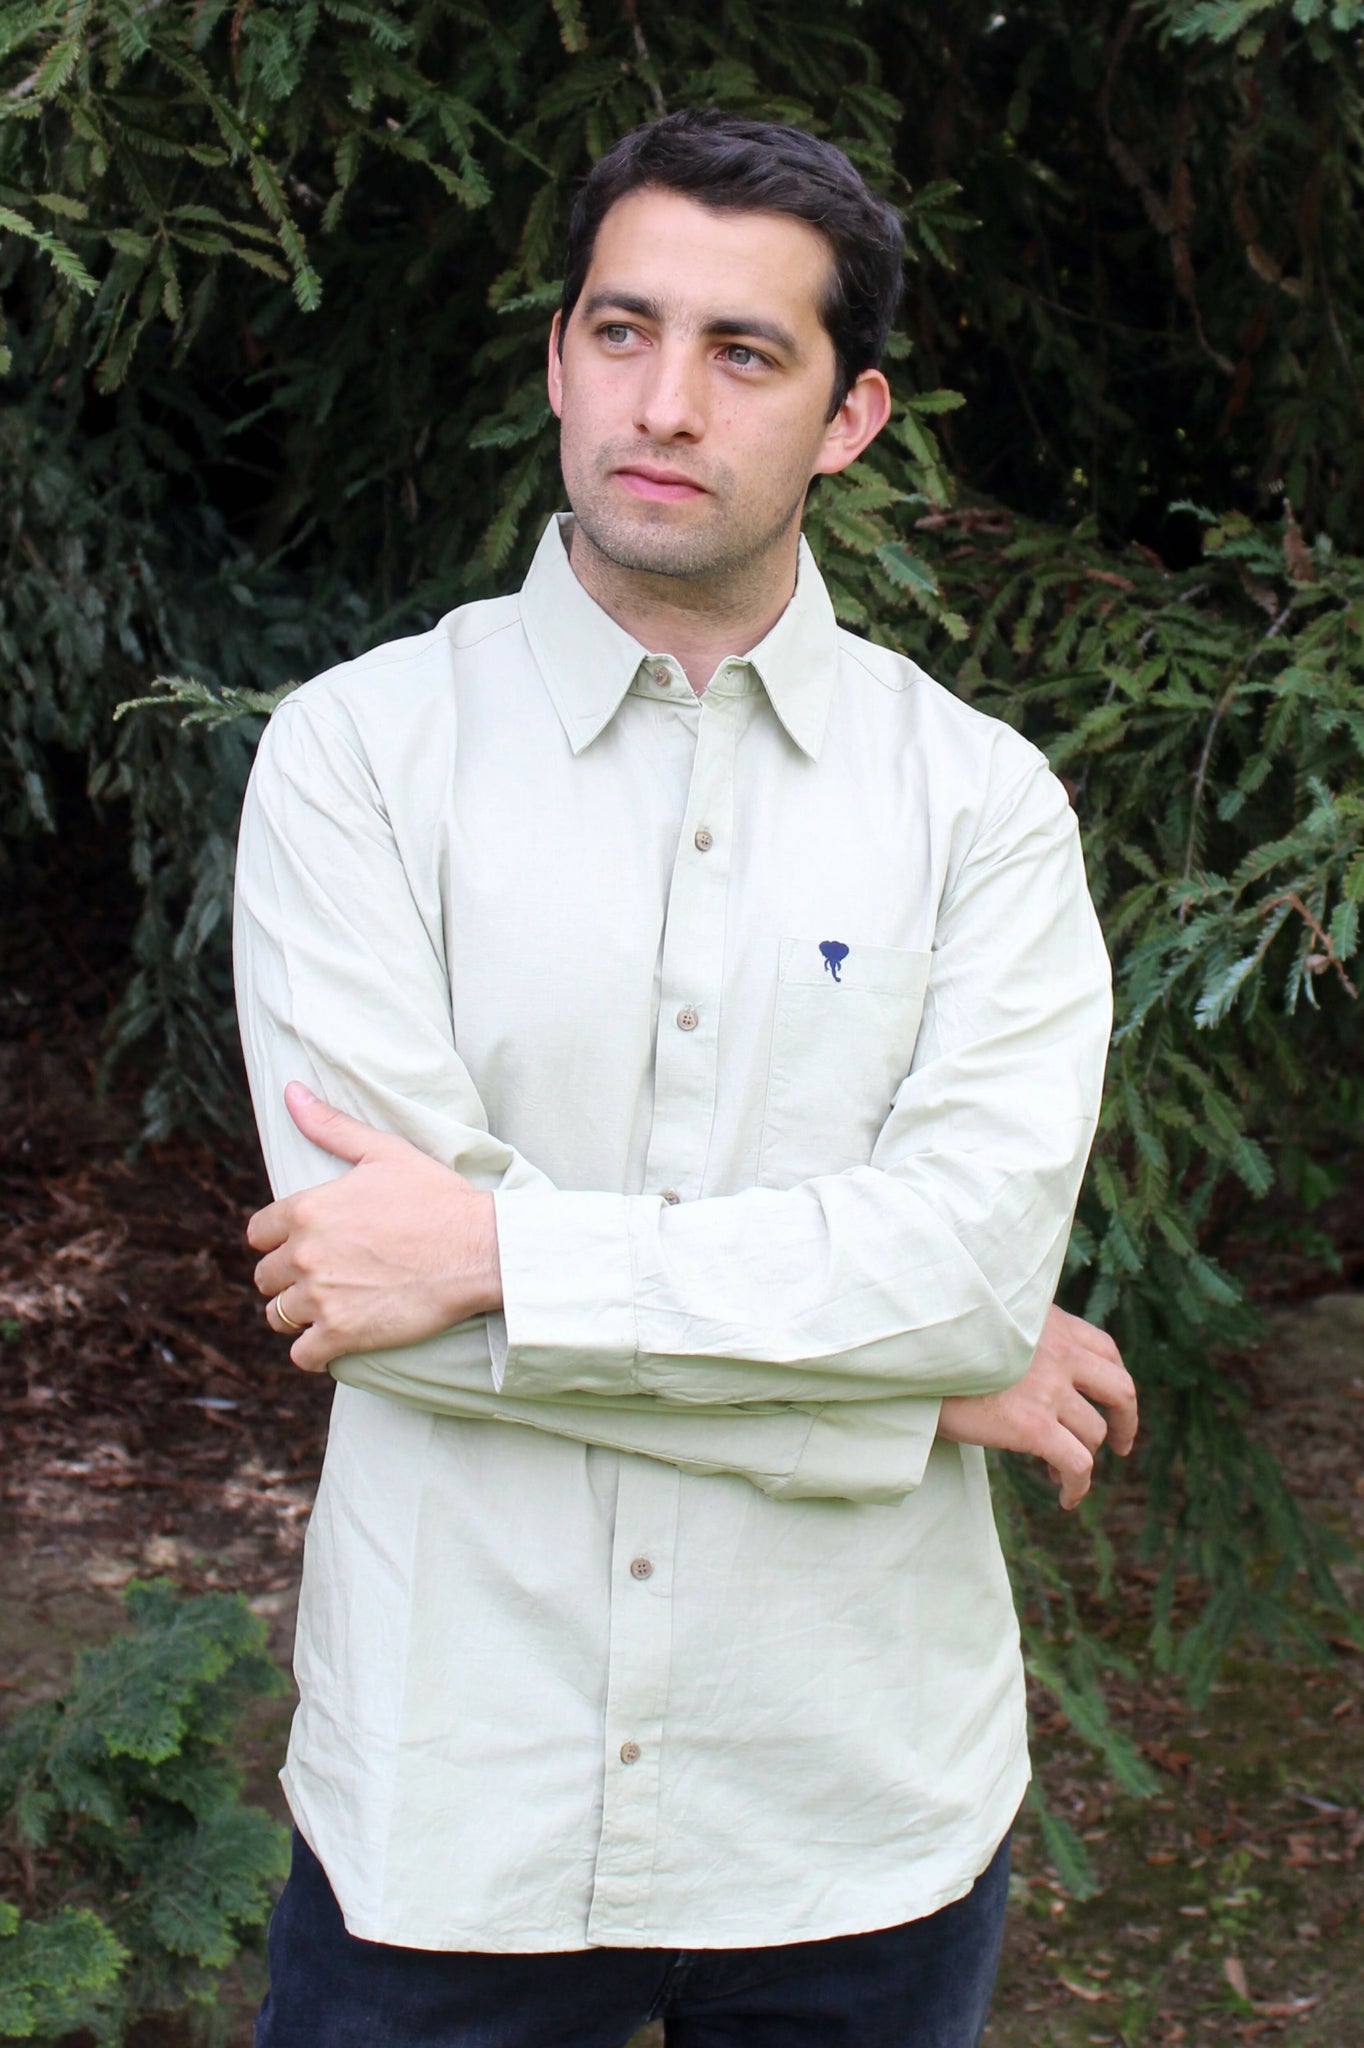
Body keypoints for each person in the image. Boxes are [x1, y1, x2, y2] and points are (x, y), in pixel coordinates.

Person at [234, 109, 1137, 2048]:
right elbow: (375, 1307)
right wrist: (906, 1393)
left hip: (856, 1809)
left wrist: (502, 1254)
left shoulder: (978, 805)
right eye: (623, 330)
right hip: (452, 1812)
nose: (665, 400)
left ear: (848, 415)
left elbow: (964, 1271)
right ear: (558, 358)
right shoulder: (357, 757)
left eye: (744, 352)